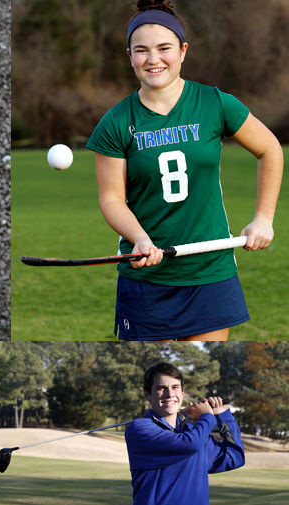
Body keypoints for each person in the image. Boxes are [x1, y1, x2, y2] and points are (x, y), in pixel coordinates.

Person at [86, 0, 283, 341]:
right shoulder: (116, 122)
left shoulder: (215, 102)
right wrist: (139, 238)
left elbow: (270, 149)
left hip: (209, 271)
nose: (153, 60)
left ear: (183, 50)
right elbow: (112, 199)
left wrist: (263, 218)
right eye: (141, 50)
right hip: (148, 278)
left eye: (164, 48)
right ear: (129, 55)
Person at [125, 363, 244, 505]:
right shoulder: (139, 429)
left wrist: (224, 415)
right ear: (147, 394)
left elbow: (234, 457)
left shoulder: (193, 433)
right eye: (161, 388)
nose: (170, 394)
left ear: (182, 393)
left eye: (175, 387)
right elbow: (189, 444)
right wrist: (207, 416)